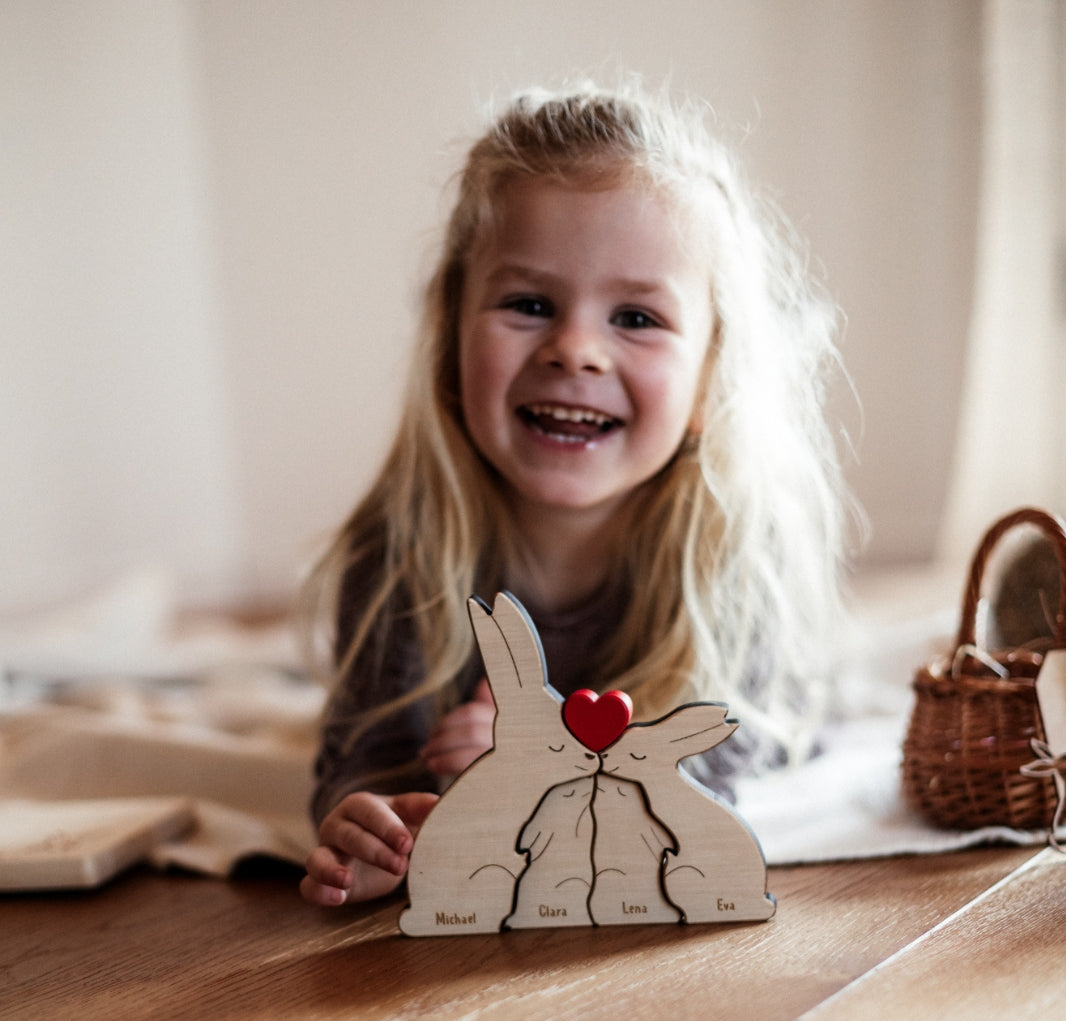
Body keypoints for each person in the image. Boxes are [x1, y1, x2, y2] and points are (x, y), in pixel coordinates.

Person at [300, 80, 855, 907]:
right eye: (529, 305)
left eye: (635, 318)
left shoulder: (734, 544)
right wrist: (374, 826)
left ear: (710, 377)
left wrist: (546, 753)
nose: (576, 350)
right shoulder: (402, 544)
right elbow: (364, 755)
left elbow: (722, 763)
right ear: (452, 336)